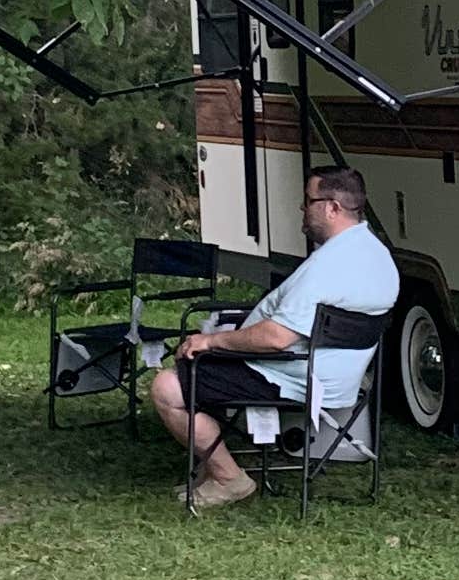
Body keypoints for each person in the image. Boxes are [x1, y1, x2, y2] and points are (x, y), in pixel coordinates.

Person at [150, 163, 398, 510]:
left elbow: (275, 338)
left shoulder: (330, 266)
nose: (302, 209)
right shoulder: (377, 256)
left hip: (289, 373)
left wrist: (212, 342)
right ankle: (212, 468)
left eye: (307, 201)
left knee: (168, 386)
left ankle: (229, 478)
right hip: (332, 375)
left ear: (332, 207)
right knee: (198, 365)